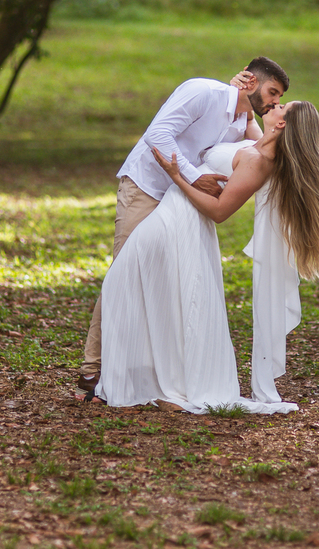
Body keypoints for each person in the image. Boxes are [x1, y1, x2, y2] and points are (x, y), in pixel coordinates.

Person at [95, 99, 319, 414]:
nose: (275, 104)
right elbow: (246, 118)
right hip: (174, 213)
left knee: (121, 281)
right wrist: (241, 91)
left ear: (281, 124)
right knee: (154, 293)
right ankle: (159, 382)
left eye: (281, 106)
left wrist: (178, 175)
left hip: (183, 219)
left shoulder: (261, 160)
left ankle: (162, 383)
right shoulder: (257, 142)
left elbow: (220, 211)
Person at [76, 58, 290, 401]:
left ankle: (144, 370)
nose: (273, 103)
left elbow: (266, 145)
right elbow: (156, 134)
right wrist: (192, 176)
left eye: (278, 98)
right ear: (250, 81)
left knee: (163, 282)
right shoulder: (201, 91)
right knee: (124, 273)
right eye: (271, 92)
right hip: (147, 189)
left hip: (184, 208)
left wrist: (251, 114)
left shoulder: (241, 121)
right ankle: (93, 370)